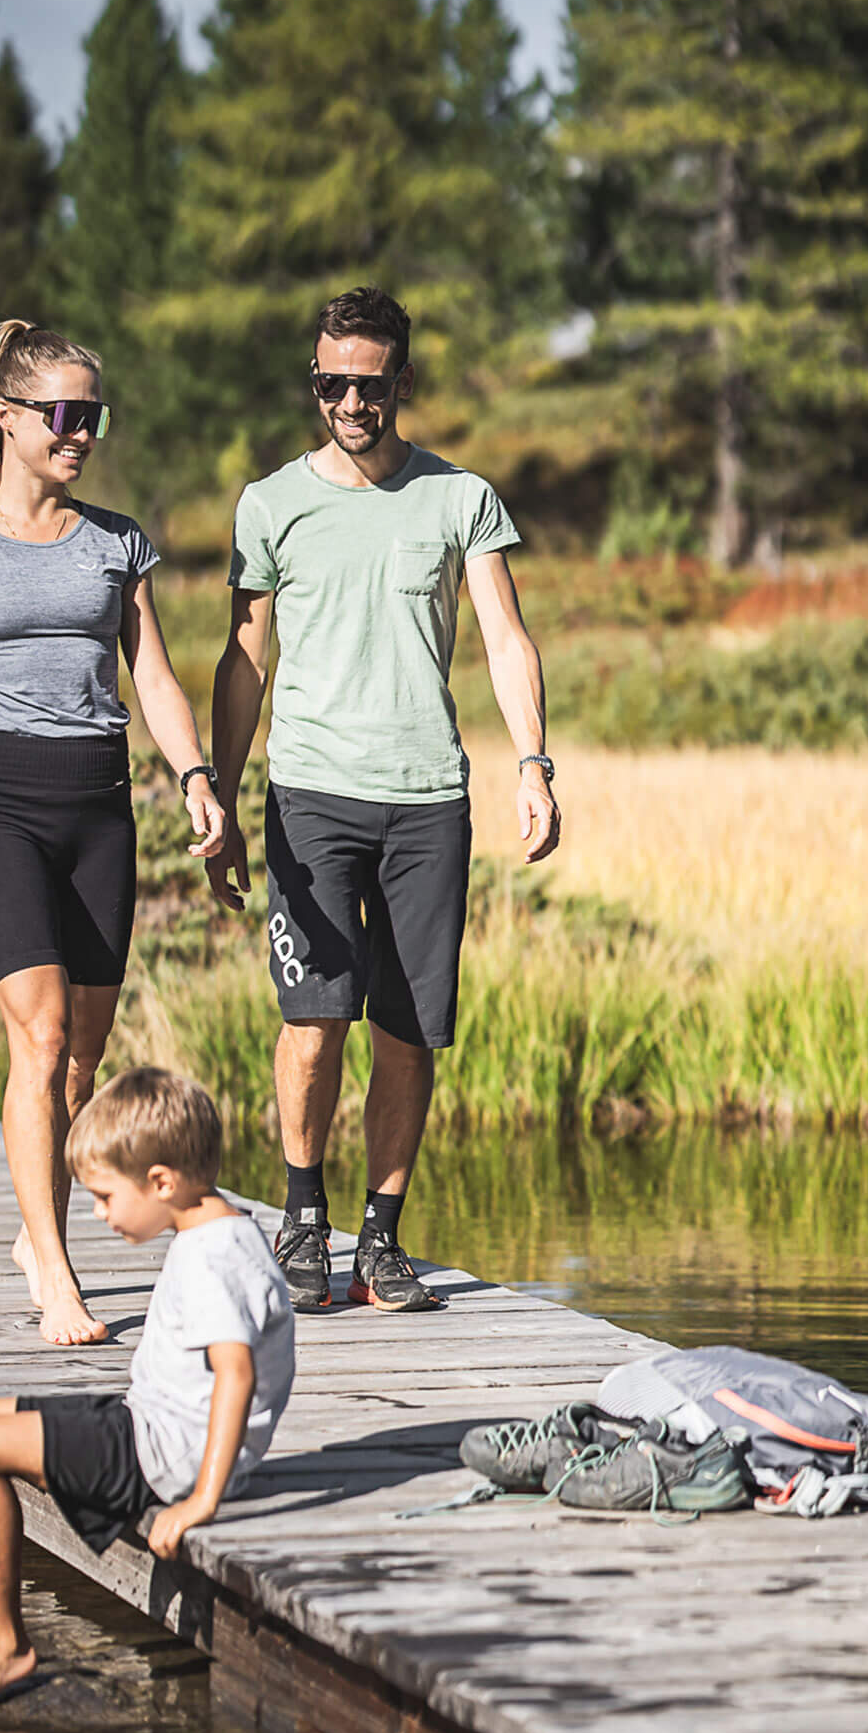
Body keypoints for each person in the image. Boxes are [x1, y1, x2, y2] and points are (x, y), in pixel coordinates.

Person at [0, 320, 225, 1347]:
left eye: (92, 414)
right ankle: (55, 1271)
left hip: (99, 802)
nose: (80, 433)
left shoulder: (116, 541)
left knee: (82, 1054)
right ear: (6, 417)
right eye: (61, 414)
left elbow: (154, 677)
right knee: (43, 1032)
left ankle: (34, 1226)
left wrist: (194, 775)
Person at [206, 286, 560, 1315]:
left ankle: (380, 1237)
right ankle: (302, 1216)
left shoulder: (460, 499)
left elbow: (505, 638)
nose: (351, 404)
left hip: (425, 801)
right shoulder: (270, 504)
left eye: (369, 384)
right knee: (315, 1021)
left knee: (407, 1030)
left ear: (402, 381)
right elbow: (244, 659)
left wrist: (533, 763)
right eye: (332, 385)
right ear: (313, 383)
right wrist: (219, 794)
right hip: (310, 795)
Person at [0, 1066, 295, 1719]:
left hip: (166, 1457)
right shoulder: (220, 1229)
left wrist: (201, 1500)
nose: (98, 1213)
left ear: (161, 1182)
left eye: (105, 1196)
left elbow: (237, 1375)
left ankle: (1, 1644)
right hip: (152, 1428)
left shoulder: (212, 1258)